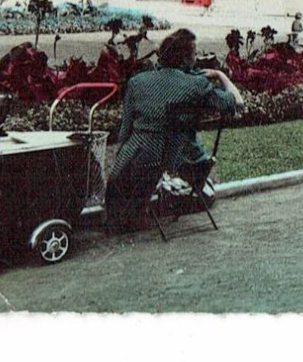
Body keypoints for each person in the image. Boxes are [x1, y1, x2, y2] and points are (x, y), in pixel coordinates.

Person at [103, 28, 244, 231]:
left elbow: (125, 130)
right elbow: (237, 102)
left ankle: (133, 213)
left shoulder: (137, 82)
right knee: (202, 183)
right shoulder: (196, 85)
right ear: (186, 59)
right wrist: (221, 75)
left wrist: (122, 155)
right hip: (174, 158)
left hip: (135, 158)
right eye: (194, 54)